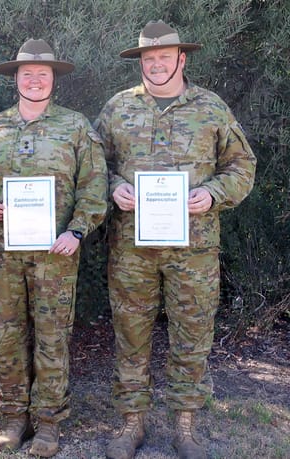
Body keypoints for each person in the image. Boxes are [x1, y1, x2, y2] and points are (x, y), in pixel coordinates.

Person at [95, 20, 256, 459]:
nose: (157, 65)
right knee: (131, 333)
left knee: (193, 335)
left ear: (182, 59)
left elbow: (242, 167)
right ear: (140, 62)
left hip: (195, 250)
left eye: (165, 57)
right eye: (149, 59)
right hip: (131, 250)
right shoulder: (117, 109)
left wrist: (213, 193)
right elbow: (92, 166)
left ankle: (185, 427)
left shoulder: (211, 108)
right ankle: (132, 424)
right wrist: (112, 187)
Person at [0, 39, 108, 457]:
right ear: (16, 79)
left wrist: (76, 232)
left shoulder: (75, 127)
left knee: (51, 338)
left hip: (56, 257)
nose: (36, 79)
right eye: (28, 73)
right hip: (3, 255)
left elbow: (94, 188)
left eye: (43, 73)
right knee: (7, 336)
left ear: (54, 79)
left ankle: (47, 424)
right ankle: (13, 417)